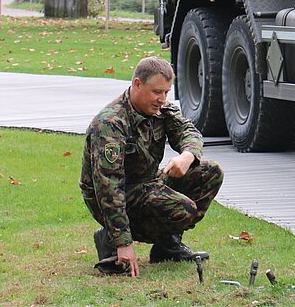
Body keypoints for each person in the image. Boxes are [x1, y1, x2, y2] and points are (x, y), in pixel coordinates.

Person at [80, 56, 224, 276]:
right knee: (183, 210)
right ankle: (110, 237)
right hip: (113, 195)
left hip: (147, 183)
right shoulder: (111, 123)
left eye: (166, 92)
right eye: (157, 92)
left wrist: (187, 155)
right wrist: (123, 242)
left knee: (210, 172)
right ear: (137, 84)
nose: (162, 99)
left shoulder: (161, 109)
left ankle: (167, 246)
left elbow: (189, 132)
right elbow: (108, 186)